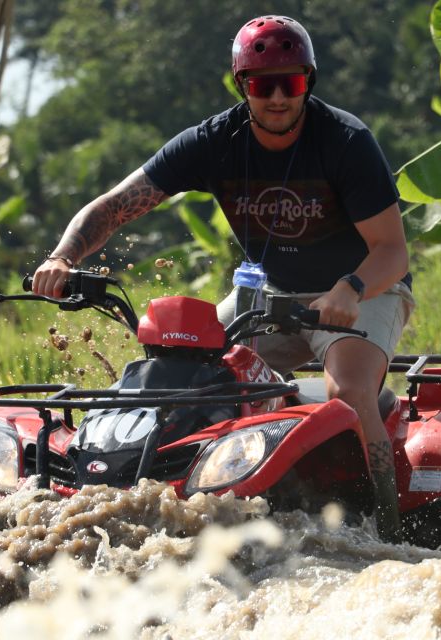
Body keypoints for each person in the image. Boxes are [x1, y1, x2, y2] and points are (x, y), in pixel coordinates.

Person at [31, 15, 414, 542]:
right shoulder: (214, 141)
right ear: (242, 86)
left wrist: (348, 289)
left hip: (358, 290)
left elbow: (392, 251)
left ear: (309, 81)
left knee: (348, 391)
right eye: (262, 84)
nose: (277, 97)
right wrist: (63, 257)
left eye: (291, 82)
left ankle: (387, 526)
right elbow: (117, 206)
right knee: (182, 366)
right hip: (269, 296)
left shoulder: (346, 141)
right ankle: (171, 513)